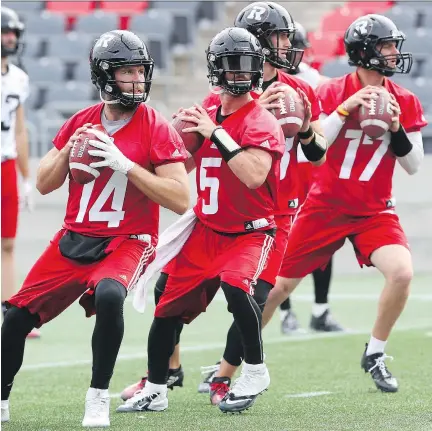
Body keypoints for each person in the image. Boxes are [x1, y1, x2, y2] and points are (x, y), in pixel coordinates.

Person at [119, 1, 327, 406]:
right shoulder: (216, 100)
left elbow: (317, 153)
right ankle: (165, 373)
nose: (287, 44)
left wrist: (301, 127)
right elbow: (191, 152)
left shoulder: (297, 91)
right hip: (215, 213)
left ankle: (227, 376)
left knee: (248, 294)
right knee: (168, 291)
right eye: (280, 36)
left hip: (270, 211)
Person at [1, 30, 190, 427]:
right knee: (15, 318)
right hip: (75, 237)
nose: (138, 80)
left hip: (128, 240)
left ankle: (97, 397)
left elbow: (179, 197)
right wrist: (71, 148)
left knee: (108, 294)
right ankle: (0, 401)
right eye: (128, 72)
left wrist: (127, 165)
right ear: (106, 76)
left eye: (142, 70)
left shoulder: (155, 126)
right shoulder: (81, 122)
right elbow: (44, 181)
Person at [262, 14, 427, 393]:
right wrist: (346, 109)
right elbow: (310, 151)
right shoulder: (330, 91)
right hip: (325, 205)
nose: (393, 53)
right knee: (275, 289)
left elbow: (414, 165)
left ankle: (376, 352)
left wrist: (396, 126)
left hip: (374, 209)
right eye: (386, 46)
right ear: (365, 52)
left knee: (401, 273)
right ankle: (235, 360)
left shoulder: (405, 99)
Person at [279, 20, 343, 334]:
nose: (291, 56)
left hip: (311, 165)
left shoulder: (314, 80)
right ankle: (285, 311)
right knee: (277, 239)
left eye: (295, 50)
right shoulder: (259, 80)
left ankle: (320, 308)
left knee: (322, 237)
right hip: (279, 164)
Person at [1, 7, 38, 338]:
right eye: (4, 31)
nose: (10, 38)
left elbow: (21, 130)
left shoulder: (19, 78)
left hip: (6, 163)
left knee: (8, 242)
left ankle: (5, 308)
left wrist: (26, 178)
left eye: (13, 33)